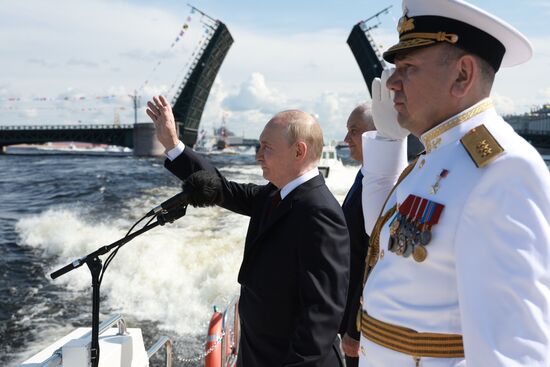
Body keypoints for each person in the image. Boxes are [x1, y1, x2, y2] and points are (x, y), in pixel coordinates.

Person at [357, 0, 550, 366]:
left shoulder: (502, 169)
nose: (392, 83)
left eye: (408, 68)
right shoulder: (435, 157)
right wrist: (388, 140)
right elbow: (388, 240)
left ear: (462, 75)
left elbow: (512, 351)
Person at [146, 96, 350, 367]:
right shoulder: (275, 194)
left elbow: (322, 312)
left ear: (298, 151)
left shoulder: (319, 212)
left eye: (267, 148)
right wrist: (173, 146)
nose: (258, 155)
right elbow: (222, 189)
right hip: (257, 354)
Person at [338, 103, 375, 367]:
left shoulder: (379, 186)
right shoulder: (365, 176)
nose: (346, 139)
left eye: (354, 131)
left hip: (359, 325)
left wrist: (355, 328)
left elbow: (371, 260)